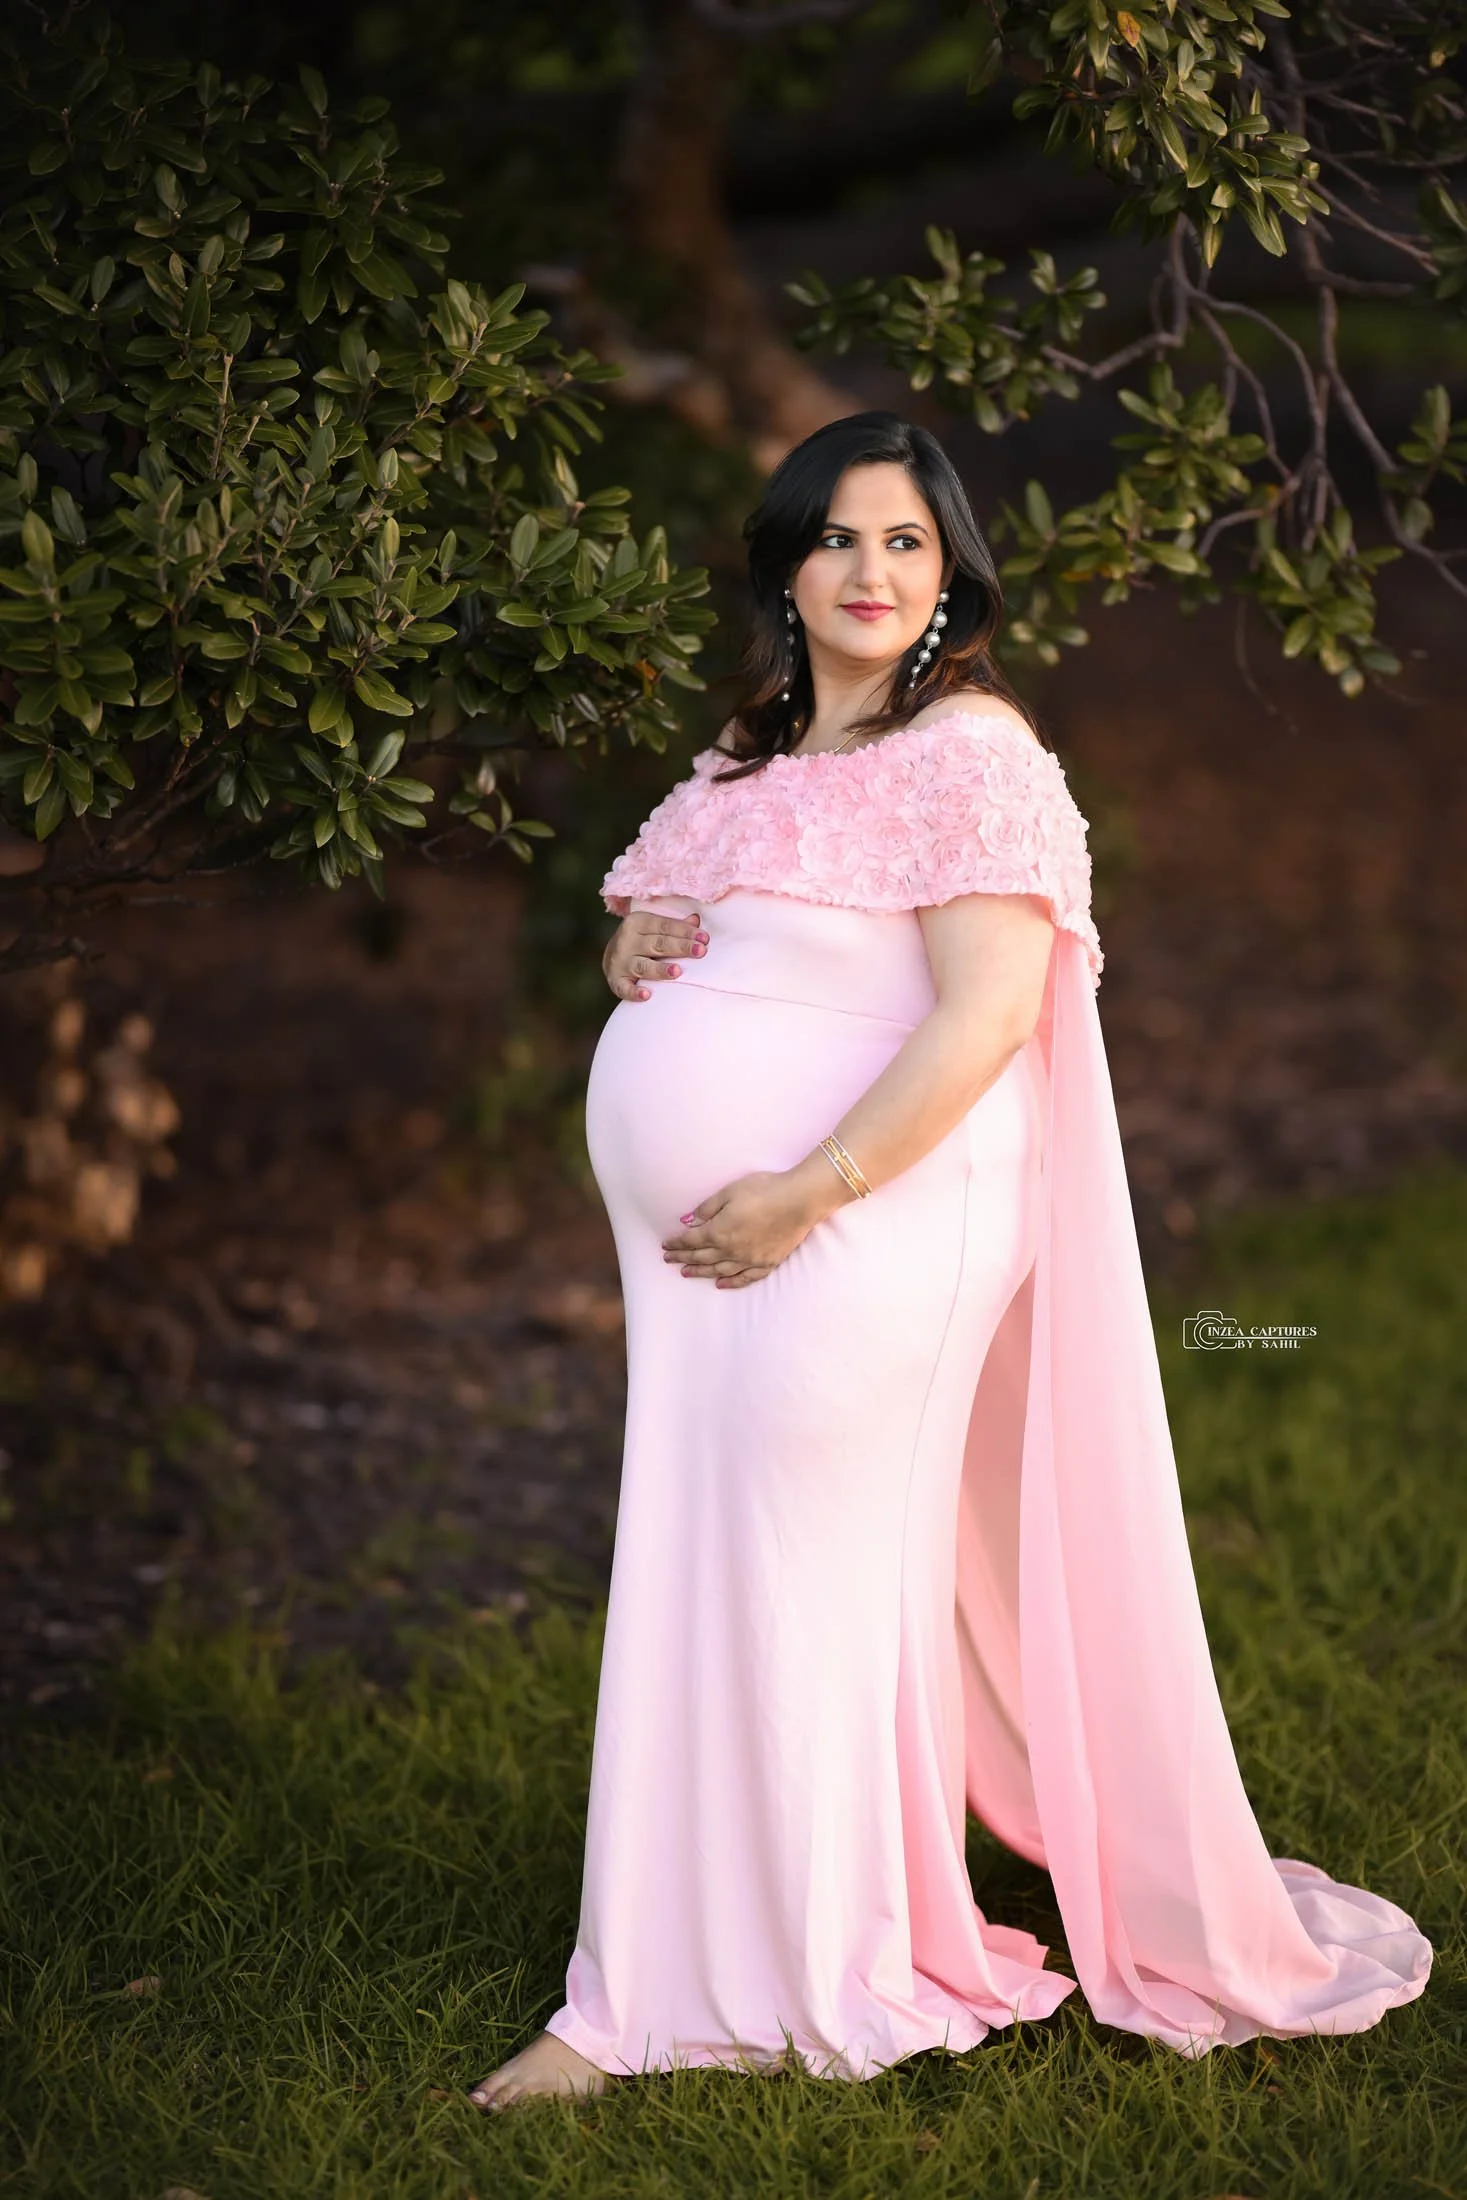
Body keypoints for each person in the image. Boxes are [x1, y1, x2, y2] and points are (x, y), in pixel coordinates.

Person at [470, 411, 1431, 2110]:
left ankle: (798, 1969)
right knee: (723, 1567)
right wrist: (636, 943)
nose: (868, 570)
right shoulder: (748, 752)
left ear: (948, 573)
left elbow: (987, 1018)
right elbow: (714, 922)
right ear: (784, 565)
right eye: (837, 537)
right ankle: (692, 1953)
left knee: (803, 1575)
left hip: (865, 1220)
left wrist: (804, 1188)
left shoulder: (969, 748)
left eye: (904, 541)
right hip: (713, 1258)